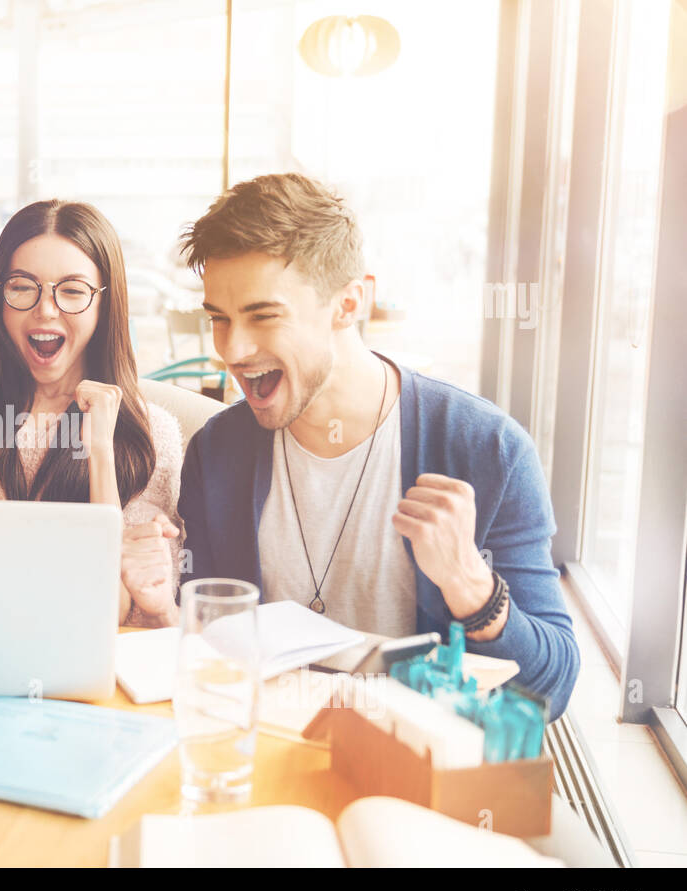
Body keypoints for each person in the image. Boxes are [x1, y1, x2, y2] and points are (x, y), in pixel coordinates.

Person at [177, 173, 579, 717]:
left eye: (263, 315)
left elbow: (548, 691)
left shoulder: (488, 450)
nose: (233, 348)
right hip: (265, 750)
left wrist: (471, 586)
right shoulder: (216, 453)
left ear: (349, 303)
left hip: (415, 762)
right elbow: (202, 639)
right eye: (219, 319)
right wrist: (163, 605)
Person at [0, 200, 183, 627]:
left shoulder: (152, 433)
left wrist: (99, 450)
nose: (45, 309)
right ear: (0, 296)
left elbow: (112, 611)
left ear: (104, 304)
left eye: (73, 290)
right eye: (23, 286)